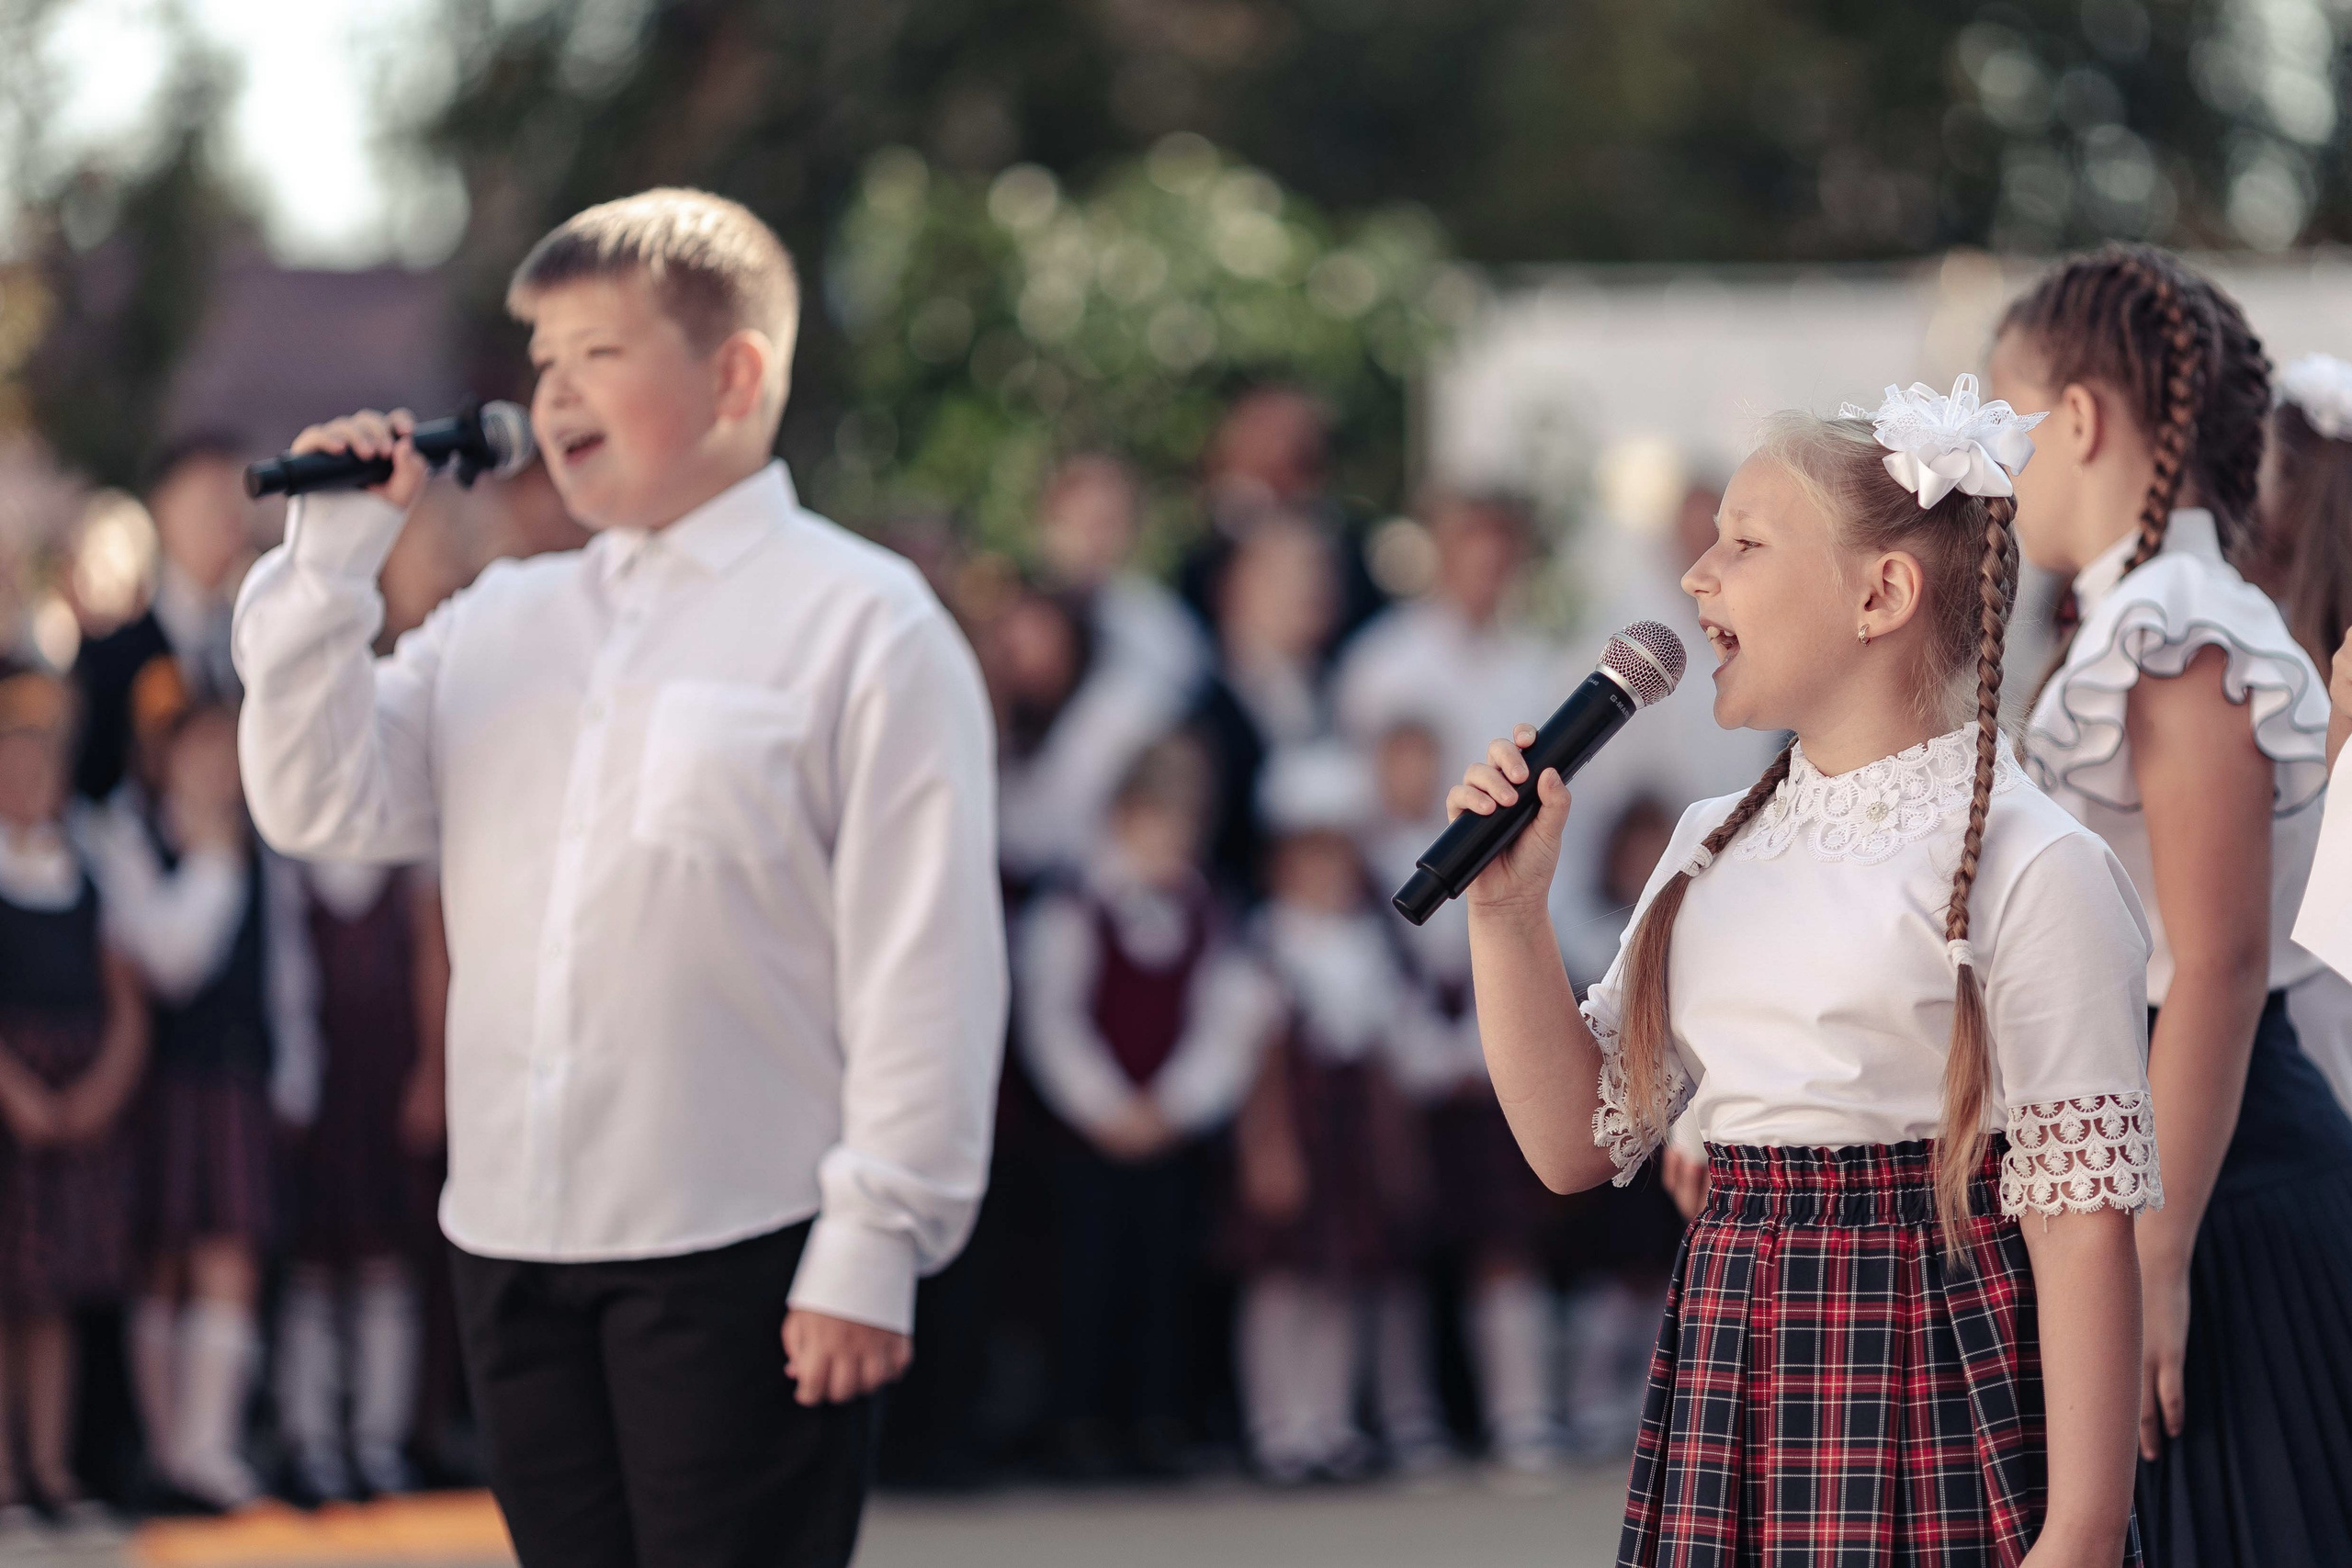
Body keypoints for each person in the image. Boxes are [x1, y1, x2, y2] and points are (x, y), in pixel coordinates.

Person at [231, 189, 1005, 1568]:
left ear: (735, 373)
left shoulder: (863, 621)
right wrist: (331, 569)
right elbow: (321, 804)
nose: (553, 390)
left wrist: (876, 1231)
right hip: (513, 1236)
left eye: (599, 351)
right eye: (541, 360)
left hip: (743, 1240)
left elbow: (927, 957)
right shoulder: (507, 619)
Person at [1453, 378, 2153, 1563]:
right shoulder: (1708, 843)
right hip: (1734, 1358)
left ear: (1879, 593)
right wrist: (1507, 916)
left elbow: (2081, 1227)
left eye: (1744, 542)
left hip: (1923, 1353)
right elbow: (1574, 1143)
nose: (1695, 576)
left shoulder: (2032, 863)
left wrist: (2081, 1528)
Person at [1993, 246, 2352, 1566]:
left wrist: (2155, 1255)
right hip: (2155, 1157)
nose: (1997, 453)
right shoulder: (2127, 619)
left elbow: (2217, 959)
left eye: (2006, 411)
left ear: (2077, 418)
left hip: (2214, 1170)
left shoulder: (2180, 627)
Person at [1013, 735, 1278, 1478]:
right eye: (1163, 820)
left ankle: (1157, 1422)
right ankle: (1076, 1424)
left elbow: (1224, 1021)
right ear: (1125, 814)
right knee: (1083, 1281)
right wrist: (1105, 1107)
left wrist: (1174, 1105)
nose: (1177, 838)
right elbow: (1052, 1017)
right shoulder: (1077, 902)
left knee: (1165, 1281)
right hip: (1086, 1135)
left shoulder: (1204, 907)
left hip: (1169, 1132)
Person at [1226, 743, 1442, 1483]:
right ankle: (1277, 1425)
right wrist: (1268, 1148)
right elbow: (1256, 1063)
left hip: (1348, 1137)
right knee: (1282, 1285)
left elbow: (1389, 1049)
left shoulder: (1366, 946)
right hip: (1296, 1130)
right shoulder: (1264, 943)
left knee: (1341, 1279)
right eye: (1310, 863)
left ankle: (1329, 1422)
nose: (1326, 879)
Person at [1362, 716, 1566, 1475]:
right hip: (1397, 1090)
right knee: (1397, 1254)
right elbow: (1367, 967)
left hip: (1484, 1077)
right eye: (1395, 758)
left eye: (1421, 756)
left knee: (1502, 1244)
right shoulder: (1358, 860)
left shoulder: (1478, 831)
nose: (1410, 773)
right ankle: (1407, 1416)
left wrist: (1476, 1044)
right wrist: (1426, 1048)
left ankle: (1523, 1411)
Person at [0, 664, 147, 1532]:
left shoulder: (87, 865)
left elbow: (125, 993)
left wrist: (101, 1088)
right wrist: (14, 1090)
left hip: (74, 1096)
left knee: (51, 1292)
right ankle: (4, 1475)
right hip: (13, 1095)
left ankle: (52, 1466)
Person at [274, 860, 439, 1502]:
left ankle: (380, 1442)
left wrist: (432, 1070)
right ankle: (309, 1441)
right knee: (310, 1266)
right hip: (316, 1084)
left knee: (387, 1263)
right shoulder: (289, 859)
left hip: (388, 1081)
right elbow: (281, 977)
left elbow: (431, 963)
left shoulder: (408, 865)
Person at [74, 433, 255, 803]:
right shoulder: (110, 657)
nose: (228, 519)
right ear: (163, 510)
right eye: (211, 502)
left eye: (237, 501)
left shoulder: (258, 641)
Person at [1190, 510, 1342, 903]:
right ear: (1232, 586)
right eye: (1284, 574)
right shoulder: (1197, 711)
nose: (1308, 588)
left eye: (1317, 570)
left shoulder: (1338, 691)